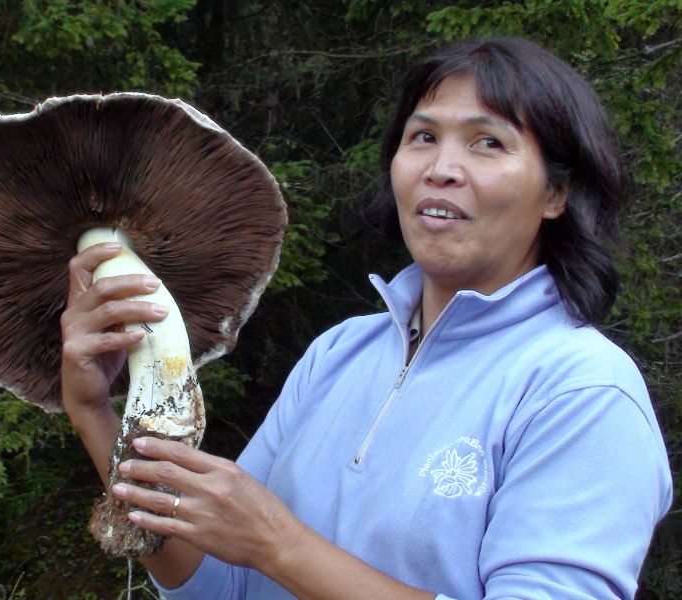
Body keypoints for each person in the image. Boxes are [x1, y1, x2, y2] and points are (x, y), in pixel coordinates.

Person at [61, 37, 672, 599]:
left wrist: (280, 543)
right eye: (423, 137)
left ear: (556, 194)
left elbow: (268, 551)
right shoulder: (339, 353)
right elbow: (219, 585)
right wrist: (94, 412)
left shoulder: (583, 391)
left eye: (488, 142)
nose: (441, 168)